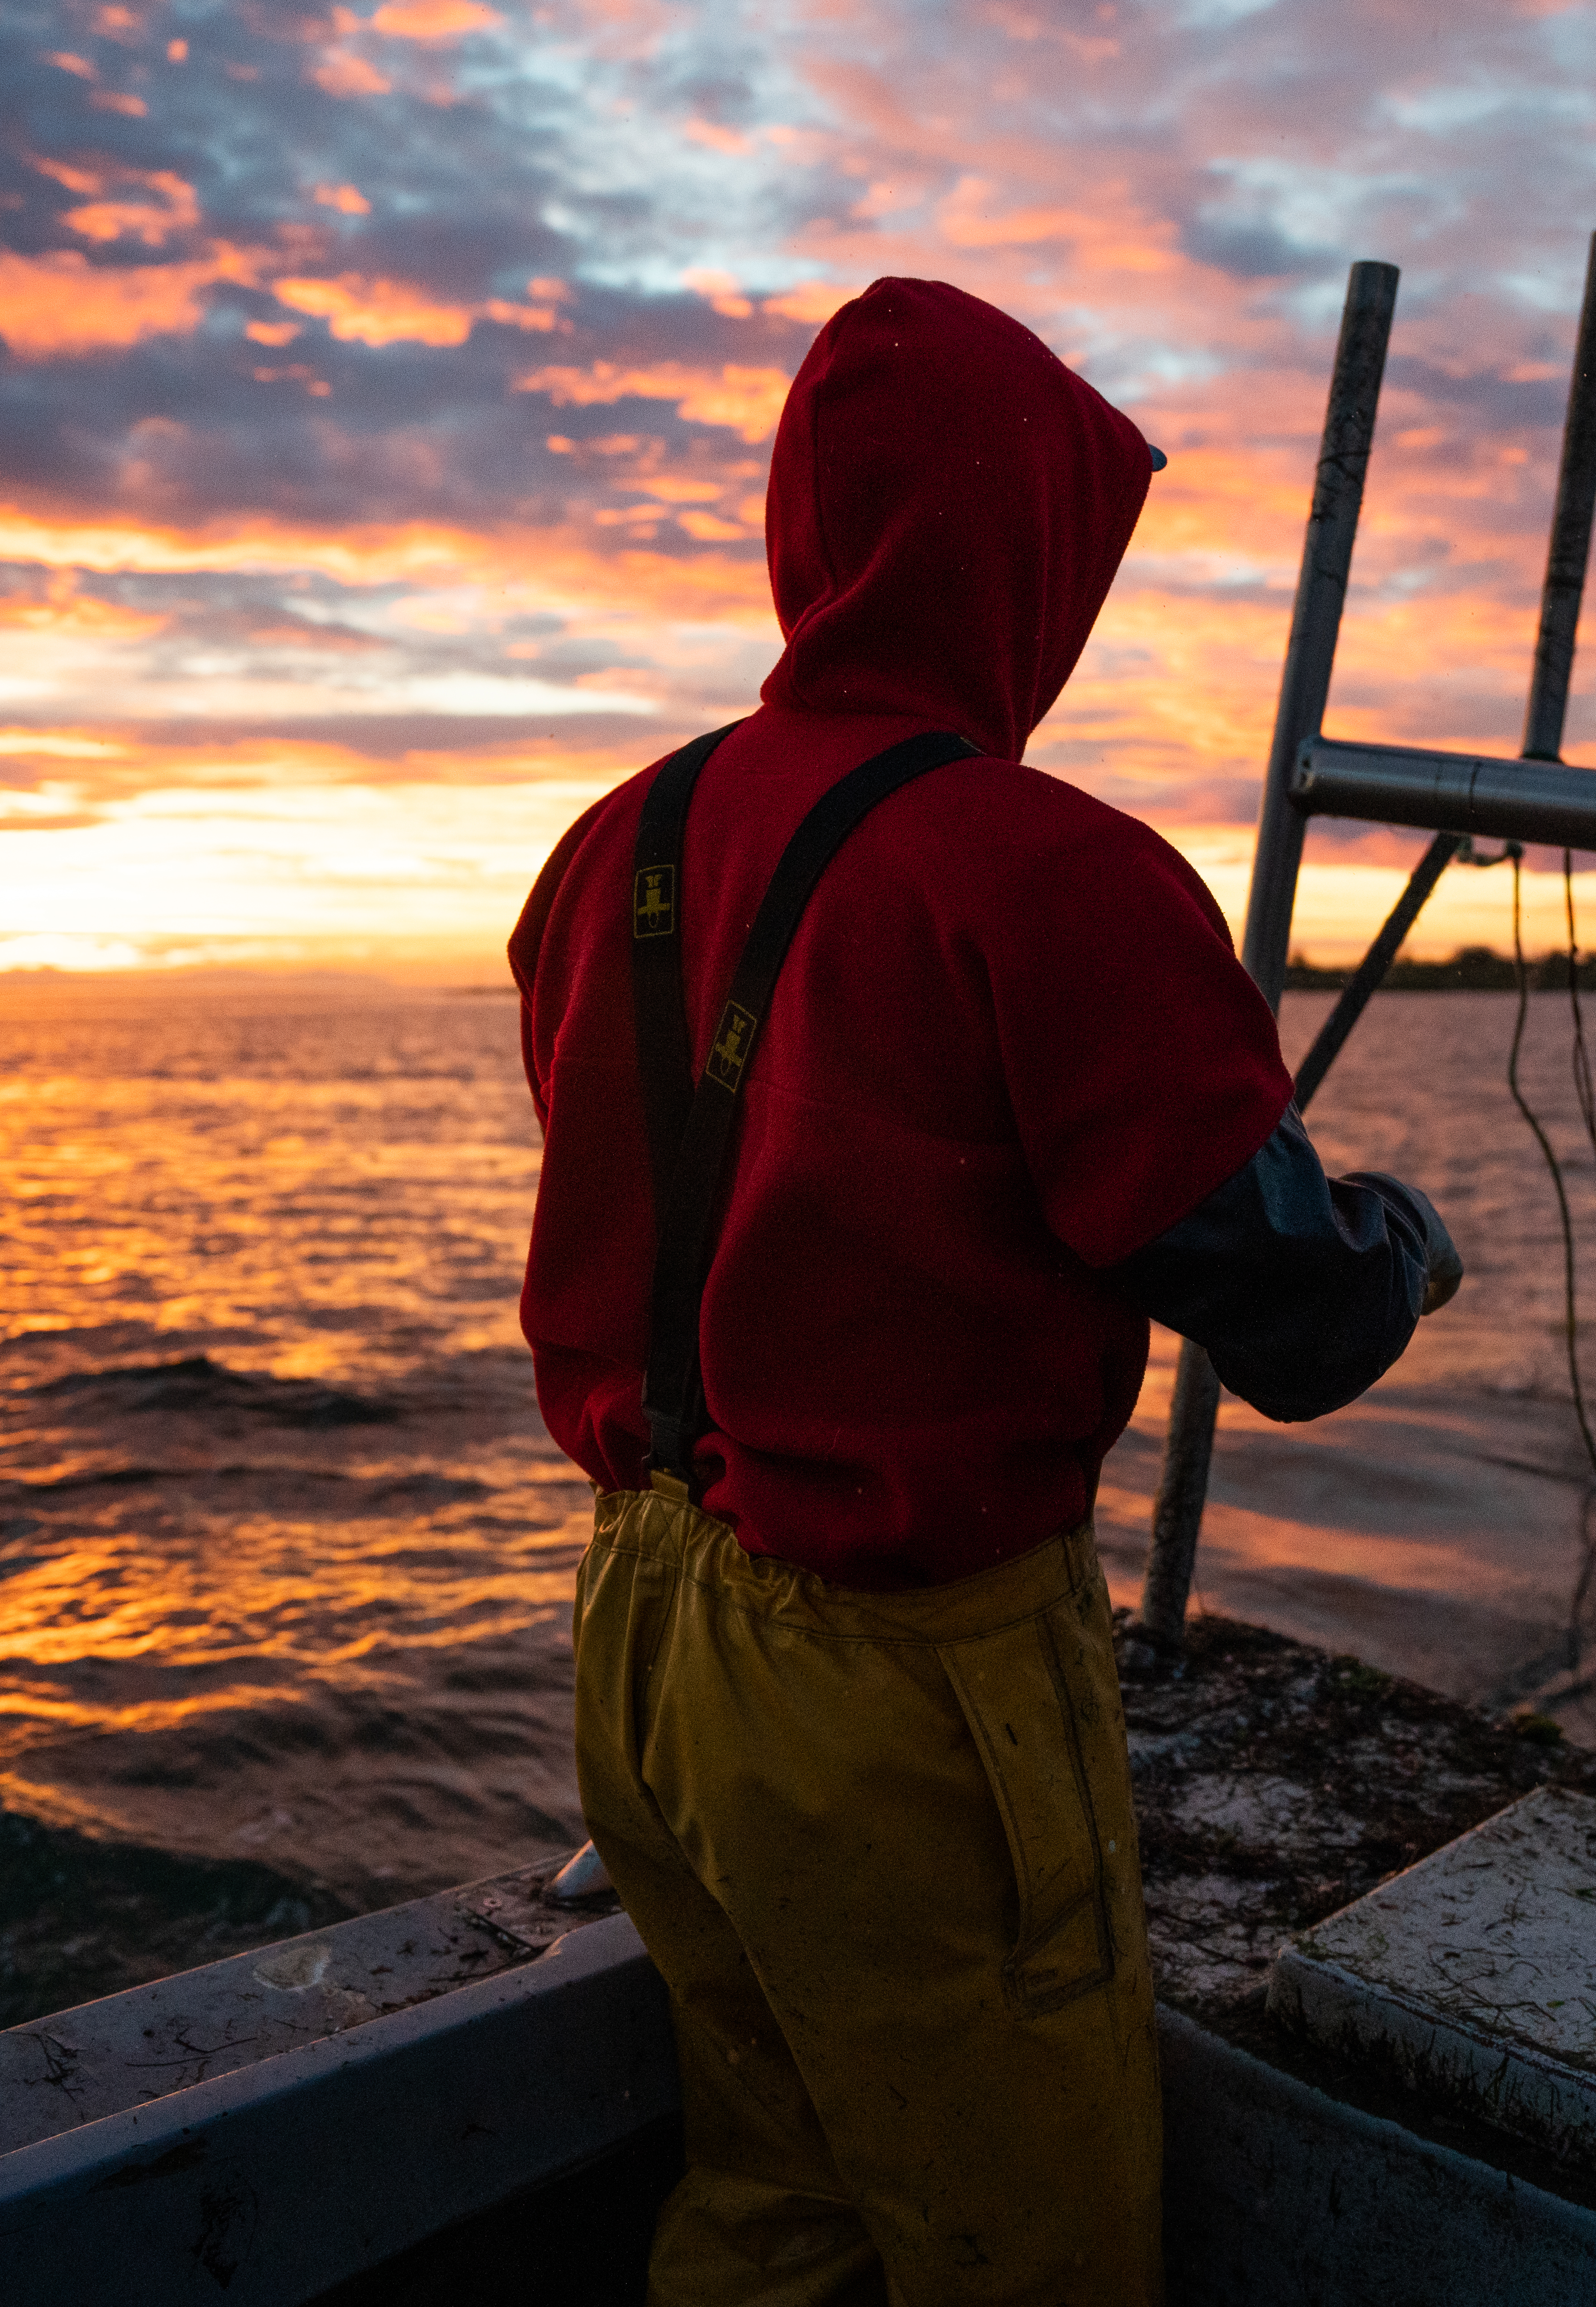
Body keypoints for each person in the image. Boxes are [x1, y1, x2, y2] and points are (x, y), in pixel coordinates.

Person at [509, 276, 1458, 2307]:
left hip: (638, 1620)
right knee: (1022, 2241)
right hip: (900, 1678)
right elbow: (1293, 1324)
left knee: (770, 2187)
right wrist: (1404, 1241)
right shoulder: (1050, 872)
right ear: (1019, 557)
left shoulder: (609, 847)